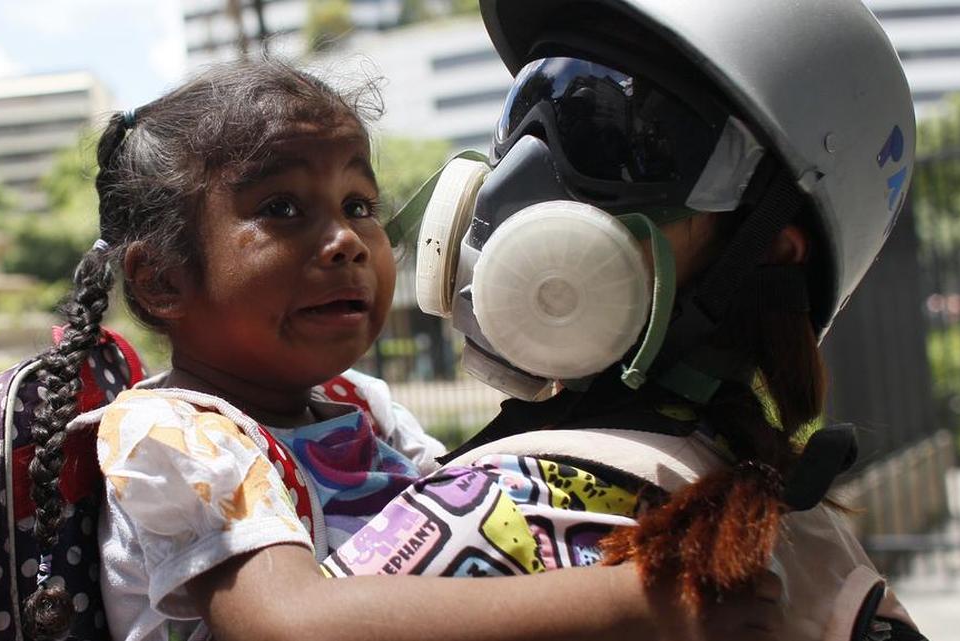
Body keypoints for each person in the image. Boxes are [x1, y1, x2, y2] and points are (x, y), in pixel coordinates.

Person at [23, 57, 780, 641]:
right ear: (160, 282)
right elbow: (292, 622)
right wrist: (635, 599)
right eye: (281, 208)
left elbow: (471, 532)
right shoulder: (174, 433)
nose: (347, 241)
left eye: (359, 204)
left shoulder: (363, 405)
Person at [320, 0, 927, 639]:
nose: (519, 177)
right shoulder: (793, 522)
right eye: (528, 106)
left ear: (768, 244)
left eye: (615, 139)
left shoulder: (496, 515)